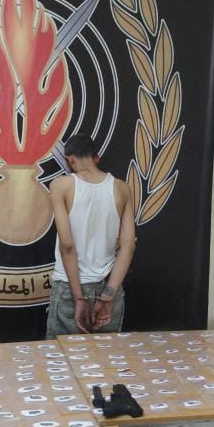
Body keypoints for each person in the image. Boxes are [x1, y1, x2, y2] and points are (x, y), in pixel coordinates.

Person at [46, 134, 136, 338]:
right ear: (97, 158)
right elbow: (128, 246)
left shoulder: (61, 185)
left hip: (70, 288)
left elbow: (67, 245)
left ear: (70, 160)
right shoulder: (122, 188)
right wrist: (107, 297)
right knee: (105, 355)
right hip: (109, 286)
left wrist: (79, 299)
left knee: (61, 355)